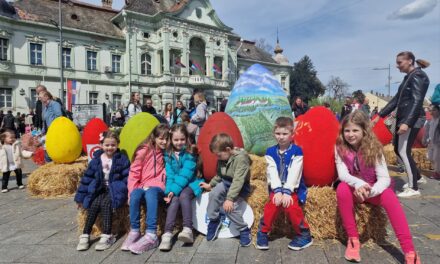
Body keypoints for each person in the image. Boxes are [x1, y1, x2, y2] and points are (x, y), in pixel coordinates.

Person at [336, 111, 421, 263]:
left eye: (355, 130)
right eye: (347, 130)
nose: (350, 134)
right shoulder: (339, 148)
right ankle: (353, 240)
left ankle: (409, 250)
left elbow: (384, 179)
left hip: (373, 190)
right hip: (355, 189)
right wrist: (359, 184)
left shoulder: (375, 148)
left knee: (390, 197)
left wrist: (369, 191)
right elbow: (342, 174)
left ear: (364, 130)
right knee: (342, 188)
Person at [373, 52, 430, 198]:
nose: (397, 66)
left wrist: (407, 123)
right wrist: (379, 116)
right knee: (399, 150)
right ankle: (417, 177)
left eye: (400, 62)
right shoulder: (408, 77)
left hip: (412, 119)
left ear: (410, 61)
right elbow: (395, 101)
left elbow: (417, 101)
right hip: (406, 118)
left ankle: (413, 187)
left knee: (403, 151)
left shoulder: (418, 76)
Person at [256, 117, 312, 251]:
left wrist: (287, 191)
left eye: (285, 134)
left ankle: (304, 234)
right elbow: (272, 171)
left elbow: (295, 172)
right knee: (273, 204)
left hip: (294, 187)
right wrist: (277, 190)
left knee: (291, 205)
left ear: (292, 135)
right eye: (278, 134)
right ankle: (263, 232)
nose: (281, 137)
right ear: (274, 134)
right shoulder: (270, 152)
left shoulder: (297, 151)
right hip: (276, 187)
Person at [74, 131, 130, 251]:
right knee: (94, 205)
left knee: (106, 204)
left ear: (118, 145)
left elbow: (127, 177)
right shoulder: (96, 160)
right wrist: (80, 198)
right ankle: (85, 234)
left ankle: (107, 234)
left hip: (115, 188)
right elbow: (87, 178)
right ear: (101, 145)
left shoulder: (122, 159)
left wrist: (127, 193)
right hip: (100, 188)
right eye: (107, 145)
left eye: (113, 145)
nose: (110, 148)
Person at [121, 124, 169, 254]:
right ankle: (135, 231)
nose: (164, 142)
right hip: (143, 185)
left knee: (151, 193)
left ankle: (152, 234)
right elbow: (134, 173)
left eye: (166, 138)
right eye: (161, 138)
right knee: (136, 194)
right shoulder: (144, 151)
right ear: (154, 137)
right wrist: (131, 193)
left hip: (158, 187)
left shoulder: (167, 153)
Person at [199, 133, 252, 247]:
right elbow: (219, 174)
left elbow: (238, 181)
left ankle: (244, 229)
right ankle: (214, 220)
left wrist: (230, 199)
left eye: (218, 155)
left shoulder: (241, 159)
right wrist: (210, 185)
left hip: (241, 187)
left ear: (228, 149)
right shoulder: (223, 158)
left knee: (228, 207)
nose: (217, 158)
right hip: (226, 183)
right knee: (213, 193)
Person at [159, 124, 204, 251]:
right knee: (173, 200)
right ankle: (167, 234)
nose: (179, 142)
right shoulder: (168, 155)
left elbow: (186, 174)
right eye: (176, 140)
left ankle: (188, 229)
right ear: (171, 140)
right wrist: (169, 192)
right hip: (177, 185)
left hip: (192, 182)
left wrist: (174, 190)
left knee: (183, 195)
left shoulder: (190, 153)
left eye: (182, 139)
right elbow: (170, 175)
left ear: (187, 139)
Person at [423, 104, 440, 179]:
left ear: (438, 110)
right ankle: (437, 171)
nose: (431, 112)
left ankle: (437, 173)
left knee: (437, 158)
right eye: (430, 110)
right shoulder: (429, 121)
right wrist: (425, 139)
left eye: (434, 110)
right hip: (431, 142)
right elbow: (427, 131)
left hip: (438, 143)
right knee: (430, 157)